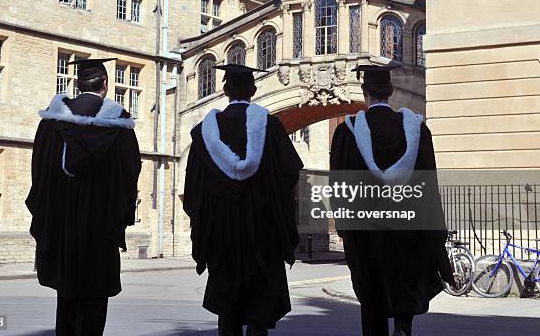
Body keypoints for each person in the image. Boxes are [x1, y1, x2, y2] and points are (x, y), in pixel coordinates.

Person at [329, 64, 454, 336]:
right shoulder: (417, 131)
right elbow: (428, 186)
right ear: (391, 92)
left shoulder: (348, 133)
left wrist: (345, 228)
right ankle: (402, 328)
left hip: (366, 233)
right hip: (407, 230)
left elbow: (339, 187)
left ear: (365, 93)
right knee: (404, 285)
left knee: (371, 297)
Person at [183, 64, 303, 336]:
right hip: (263, 231)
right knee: (261, 301)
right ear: (253, 90)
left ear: (225, 91)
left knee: (229, 308)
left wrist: (207, 221)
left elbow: (193, 190)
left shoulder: (204, 134)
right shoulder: (270, 127)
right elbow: (289, 172)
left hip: (221, 233)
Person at [25, 58, 141, 336]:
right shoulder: (120, 127)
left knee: (66, 295)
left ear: (77, 85)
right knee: (95, 298)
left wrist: (49, 217)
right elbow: (130, 174)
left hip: (63, 228)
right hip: (101, 228)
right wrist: (120, 218)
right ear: (105, 84)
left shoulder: (51, 124)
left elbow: (39, 175)